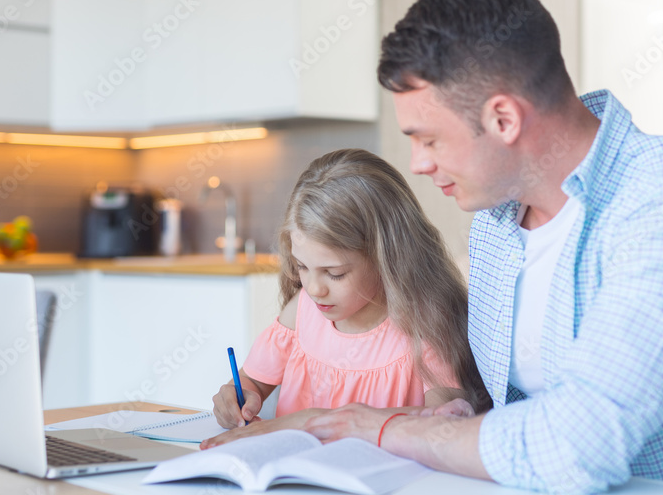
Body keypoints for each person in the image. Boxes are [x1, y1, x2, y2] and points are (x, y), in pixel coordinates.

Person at [302, 0, 663, 495]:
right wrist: (463, 412)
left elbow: (577, 447)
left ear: (503, 119)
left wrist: (386, 428)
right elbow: (520, 402)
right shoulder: (496, 223)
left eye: (428, 139)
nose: (418, 164)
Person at [201, 148, 490, 449]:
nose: (314, 289)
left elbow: (444, 421)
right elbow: (252, 382)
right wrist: (238, 394)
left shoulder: (425, 324)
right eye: (302, 267)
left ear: (388, 257)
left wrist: (317, 420)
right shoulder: (301, 311)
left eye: (334, 273)